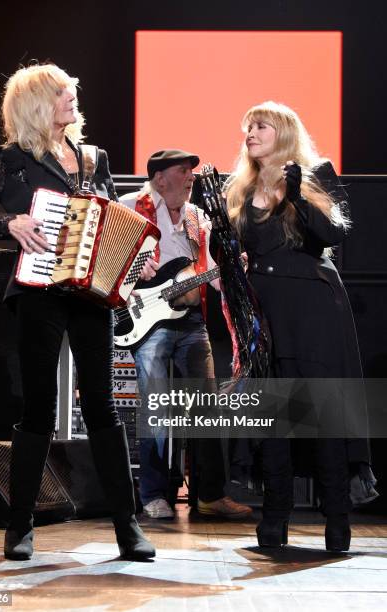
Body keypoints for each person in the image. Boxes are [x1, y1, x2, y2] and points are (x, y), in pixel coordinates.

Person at [0, 63, 155, 561]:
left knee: (103, 407)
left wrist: (134, 260)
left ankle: (127, 526)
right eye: (64, 94)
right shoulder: (13, 159)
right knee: (38, 407)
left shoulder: (93, 159)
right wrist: (11, 224)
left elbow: (110, 221)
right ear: (37, 104)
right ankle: (20, 524)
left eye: (71, 93)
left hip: (92, 295)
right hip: (38, 289)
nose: (73, 100)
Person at [219, 101, 375, 552]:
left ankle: (338, 519)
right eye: (247, 126)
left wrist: (297, 194)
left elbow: (332, 235)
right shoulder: (240, 187)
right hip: (264, 312)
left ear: (283, 133)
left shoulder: (315, 174)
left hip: (313, 308)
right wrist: (217, 223)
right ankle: (275, 517)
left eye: (260, 126)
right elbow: (232, 252)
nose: (249, 133)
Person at [120, 150, 253, 520]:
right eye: (183, 170)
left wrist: (232, 268)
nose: (191, 176)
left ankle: (210, 494)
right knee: (157, 408)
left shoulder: (197, 217)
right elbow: (107, 256)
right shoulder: (131, 206)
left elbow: (208, 268)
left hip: (192, 320)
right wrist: (133, 270)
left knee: (206, 406)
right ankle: (153, 494)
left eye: (192, 171)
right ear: (160, 178)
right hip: (149, 319)